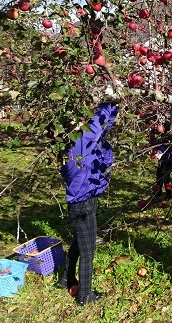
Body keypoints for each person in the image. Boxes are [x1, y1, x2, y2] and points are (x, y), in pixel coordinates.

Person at [56, 101, 119, 305]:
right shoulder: (79, 145)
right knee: (88, 251)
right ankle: (85, 296)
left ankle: (65, 278)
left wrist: (113, 108)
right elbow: (96, 127)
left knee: (78, 242)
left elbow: (101, 128)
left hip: (82, 202)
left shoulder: (74, 146)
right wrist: (109, 103)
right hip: (83, 204)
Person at [149, 122, 172, 199]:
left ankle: (168, 194)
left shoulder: (167, 134)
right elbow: (152, 142)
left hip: (168, 156)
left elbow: (168, 147)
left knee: (166, 176)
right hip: (161, 157)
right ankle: (158, 191)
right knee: (159, 175)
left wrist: (157, 153)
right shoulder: (154, 131)